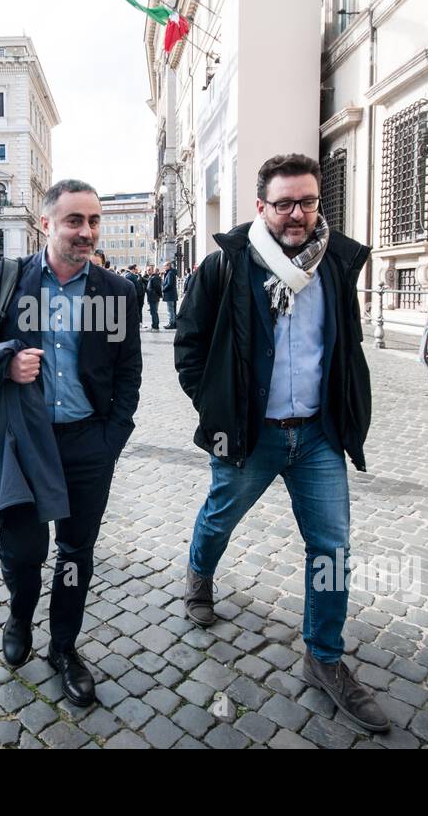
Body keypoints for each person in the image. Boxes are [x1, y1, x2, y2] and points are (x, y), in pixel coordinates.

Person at [173, 152, 390, 733]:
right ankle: (199, 573)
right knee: (220, 517)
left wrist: (347, 407)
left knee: (332, 549)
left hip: (317, 436)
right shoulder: (226, 266)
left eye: (309, 201)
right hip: (252, 435)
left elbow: (343, 345)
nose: (298, 214)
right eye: (285, 203)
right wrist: (217, 405)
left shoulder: (338, 263)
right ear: (261, 206)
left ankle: (323, 656)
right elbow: (189, 346)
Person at [0, 178, 141, 708]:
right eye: (74, 221)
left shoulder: (116, 291)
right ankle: (19, 613)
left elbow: (129, 371)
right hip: (23, 441)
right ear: (46, 224)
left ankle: (64, 647)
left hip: (88, 443)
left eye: (93, 221)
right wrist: (5, 360)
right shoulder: (8, 279)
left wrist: (112, 439)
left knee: (76, 552)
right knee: (23, 548)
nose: (86, 232)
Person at [161, 261, 178, 329]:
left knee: (170, 310)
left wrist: (163, 289)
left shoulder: (170, 273)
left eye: (165, 266)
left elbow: (169, 284)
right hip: (171, 294)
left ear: (168, 266)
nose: (164, 267)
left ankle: (172, 324)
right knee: (172, 310)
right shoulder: (170, 272)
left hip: (170, 294)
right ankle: (172, 323)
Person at [145, 266, 162, 330]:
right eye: (147, 270)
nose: (148, 271)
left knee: (154, 312)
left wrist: (159, 295)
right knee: (153, 312)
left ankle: (155, 326)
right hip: (152, 297)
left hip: (154, 297)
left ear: (153, 270)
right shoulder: (152, 277)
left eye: (149, 270)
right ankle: (154, 325)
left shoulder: (155, 277)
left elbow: (157, 287)